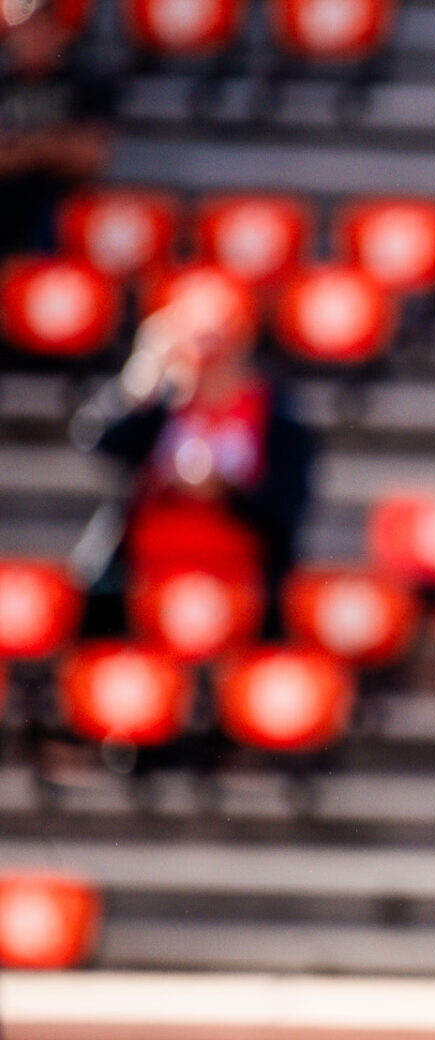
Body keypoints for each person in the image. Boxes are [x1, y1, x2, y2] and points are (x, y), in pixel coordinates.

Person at [68, 279, 316, 640]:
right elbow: (99, 441)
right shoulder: (159, 409)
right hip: (144, 577)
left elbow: (287, 506)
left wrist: (225, 491)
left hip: (242, 581)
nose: (209, 361)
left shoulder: (276, 418)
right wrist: (144, 376)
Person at [0, 0, 114, 258]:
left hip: (59, 212)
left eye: (46, 27)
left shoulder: (84, 81)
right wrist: (52, 147)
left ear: (63, 34)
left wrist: (20, 148)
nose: (36, 37)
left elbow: (90, 158)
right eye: (28, 28)